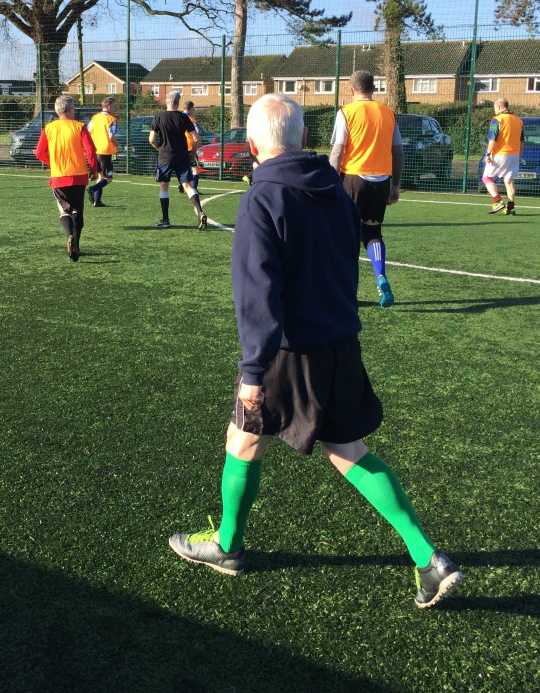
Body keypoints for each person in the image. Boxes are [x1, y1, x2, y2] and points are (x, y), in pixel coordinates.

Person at [168, 94, 462, 609]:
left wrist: (253, 370)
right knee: (348, 451)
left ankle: (227, 547)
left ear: (253, 145)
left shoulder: (261, 200)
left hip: (288, 351)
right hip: (340, 342)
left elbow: (256, 293)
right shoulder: (338, 193)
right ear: (305, 139)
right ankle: (428, 557)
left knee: (242, 439)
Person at [329, 70, 403, 308]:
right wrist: (395, 184)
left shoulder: (346, 112)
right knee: (373, 233)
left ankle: (345, 292)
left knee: (345, 235)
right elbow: (398, 152)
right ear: (374, 89)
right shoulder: (388, 113)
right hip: (380, 181)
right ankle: (381, 277)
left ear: (351, 91)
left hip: (353, 179)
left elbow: (338, 151)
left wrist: (331, 182)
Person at [34, 94, 97, 262]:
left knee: (64, 210)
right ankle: (76, 244)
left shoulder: (49, 128)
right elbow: (90, 151)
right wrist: (94, 169)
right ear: (70, 110)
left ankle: (69, 236)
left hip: (59, 176)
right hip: (79, 176)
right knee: (78, 210)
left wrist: (53, 162)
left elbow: (39, 152)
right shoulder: (79, 127)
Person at [148, 91, 208, 229]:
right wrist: (192, 153)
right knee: (187, 185)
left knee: (164, 185)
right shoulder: (183, 117)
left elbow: (151, 139)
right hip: (182, 156)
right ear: (177, 102)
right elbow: (197, 138)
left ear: (166, 101)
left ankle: (165, 219)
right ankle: (200, 212)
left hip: (165, 157)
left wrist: (160, 148)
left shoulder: (158, 117)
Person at [481, 98, 524, 215]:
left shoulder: (497, 120)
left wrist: (488, 154)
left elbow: (492, 139)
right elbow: (521, 141)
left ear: (499, 107)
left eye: (495, 108)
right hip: (514, 155)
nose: (494, 110)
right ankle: (510, 209)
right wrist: (519, 156)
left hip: (500, 154)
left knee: (487, 178)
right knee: (509, 181)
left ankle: (498, 201)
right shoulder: (518, 121)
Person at [87, 97, 119, 208]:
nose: (115, 109)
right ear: (109, 107)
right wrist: (117, 144)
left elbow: (88, 131)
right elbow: (111, 136)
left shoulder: (95, 118)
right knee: (108, 178)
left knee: (100, 176)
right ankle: (92, 189)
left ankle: (97, 201)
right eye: (114, 106)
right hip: (105, 151)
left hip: (95, 150)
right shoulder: (111, 119)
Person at [179, 100, 201, 194]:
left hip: (180, 147)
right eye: (194, 108)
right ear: (190, 108)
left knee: (182, 168)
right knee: (194, 168)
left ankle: (182, 184)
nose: (195, 110)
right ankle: (194, 189)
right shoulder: (191, 120)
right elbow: (196, 135)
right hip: (190, 147)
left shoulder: (178, 117)